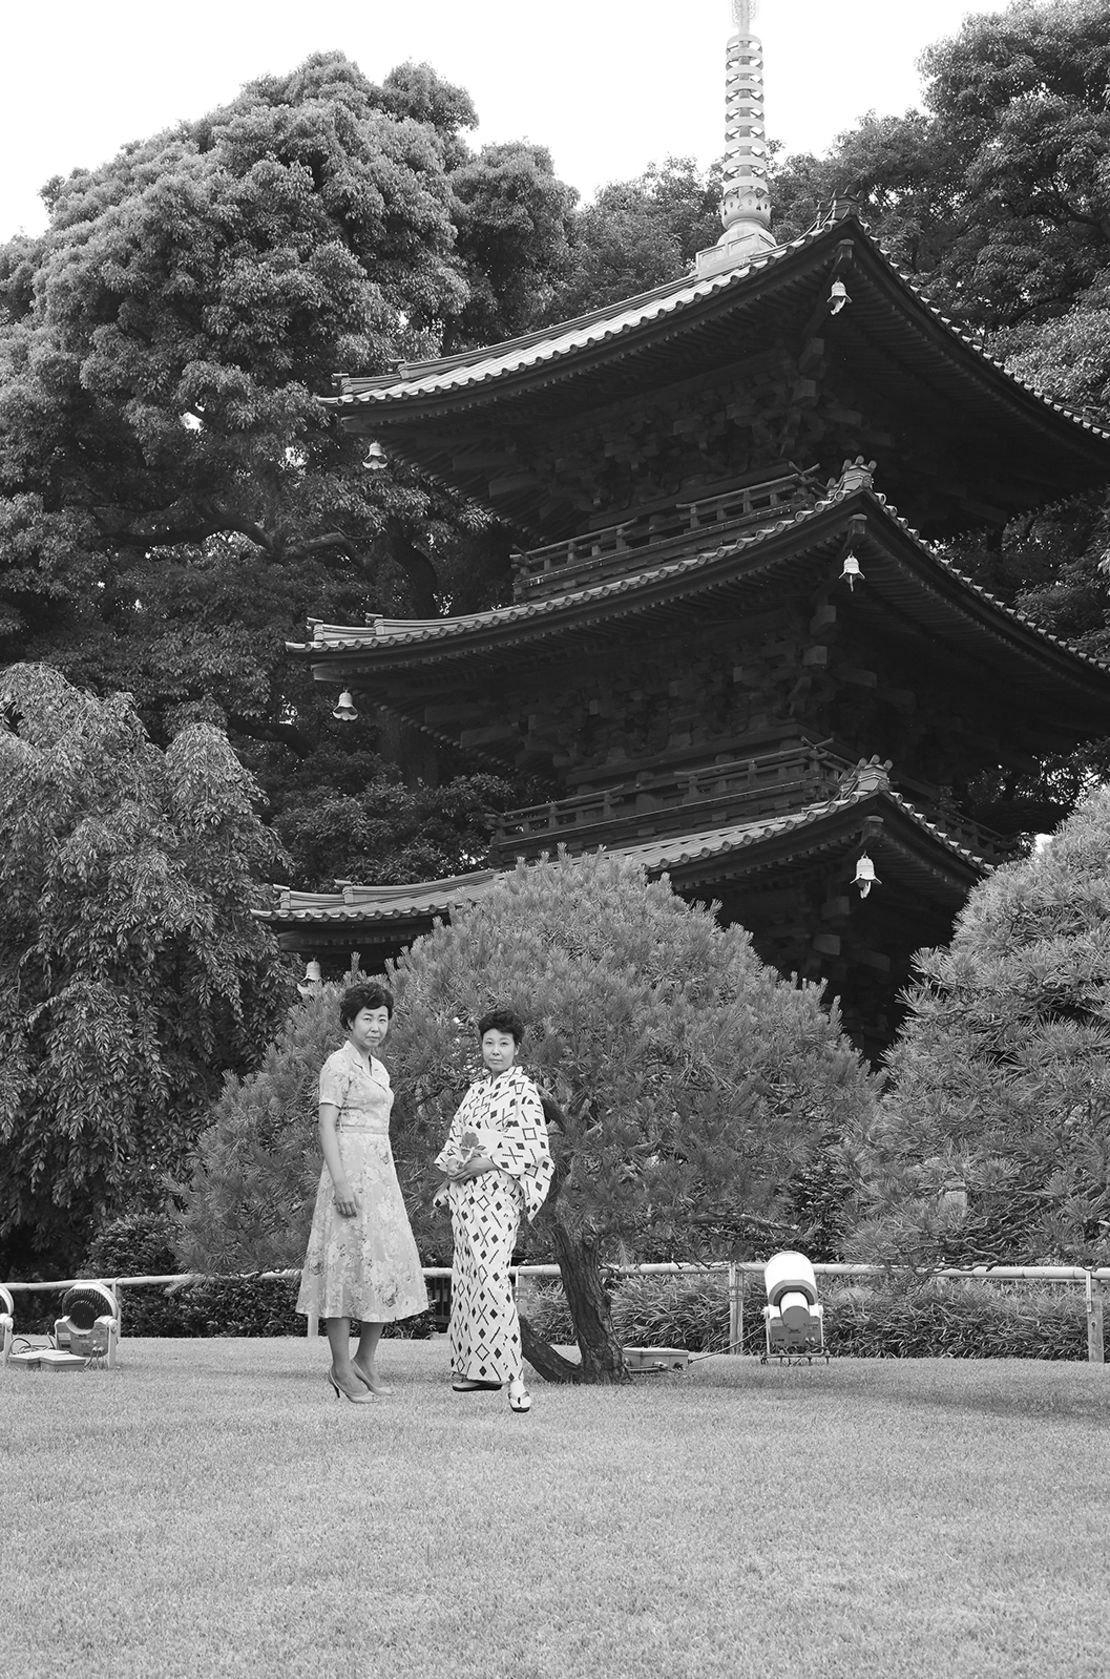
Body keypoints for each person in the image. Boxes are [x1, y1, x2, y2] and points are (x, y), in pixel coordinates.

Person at [296, 981, 428, 1403]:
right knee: (343, 1268)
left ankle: (365, 1360)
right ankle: (339, 1366)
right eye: (367, 1018)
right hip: (348, 1175)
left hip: (381, 1179)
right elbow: (326, 1127)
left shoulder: (380, 1069)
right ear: (349, 1021)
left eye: (382, 1018)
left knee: (383, 1264)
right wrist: (340, 1183)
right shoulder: (337, 1065)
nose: (375, 1026)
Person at [434, 1007, 553, 1414]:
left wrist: (487, 1160)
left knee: (492, 1277)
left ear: (516, 1048)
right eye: (489, 1043)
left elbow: (535, 1147)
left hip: (499, 1195)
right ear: (481, 1046)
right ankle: (474, 1368)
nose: (496, 1050)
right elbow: (457, 1141)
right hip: (467, 1196)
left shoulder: (524, 1092)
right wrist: (453, 1171)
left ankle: (516, 1379)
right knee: (467, 1278)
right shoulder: (474, 1092)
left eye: (504, 1043)